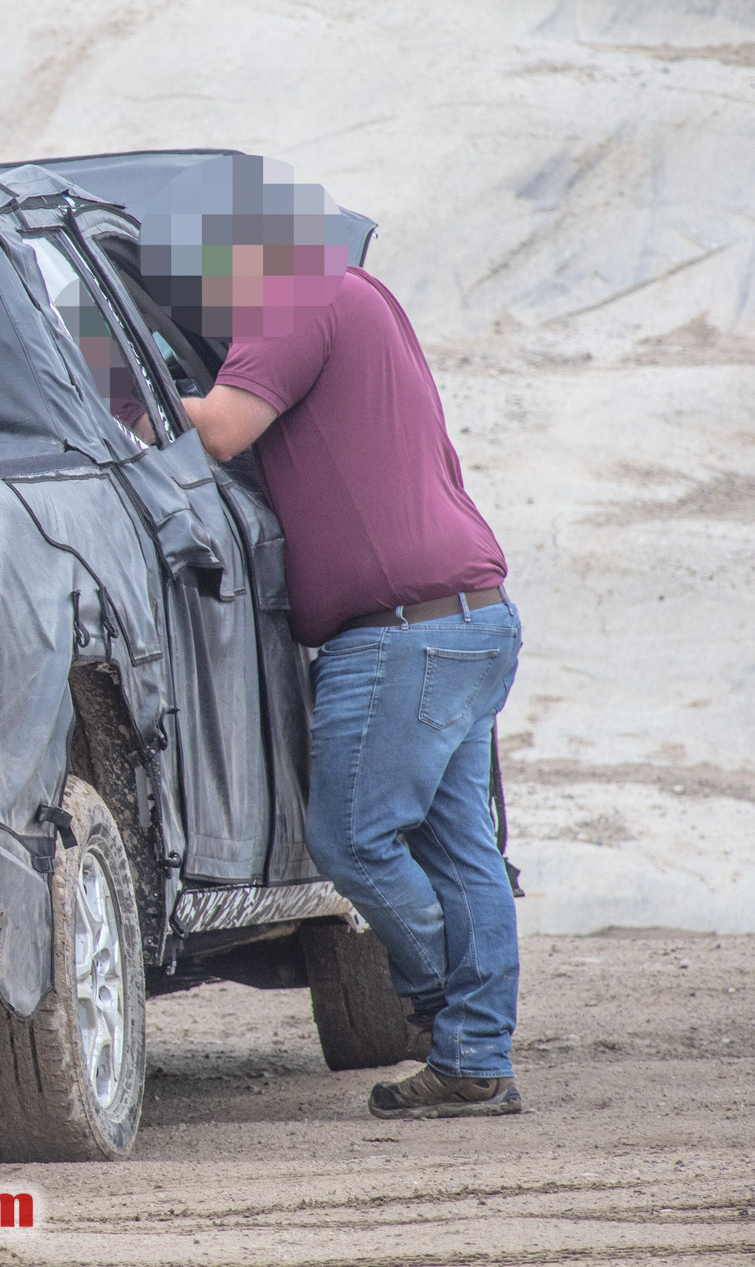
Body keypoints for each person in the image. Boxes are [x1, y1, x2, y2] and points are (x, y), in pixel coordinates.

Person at [153, 157, 524, 1120]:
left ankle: (447, 1011)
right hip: (471, 617)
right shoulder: (361, 295)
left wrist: (123, 394)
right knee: (461, 851)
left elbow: (224, 429)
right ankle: (476, 1059)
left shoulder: (289, 300)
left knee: (352, 838)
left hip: (400, 636)